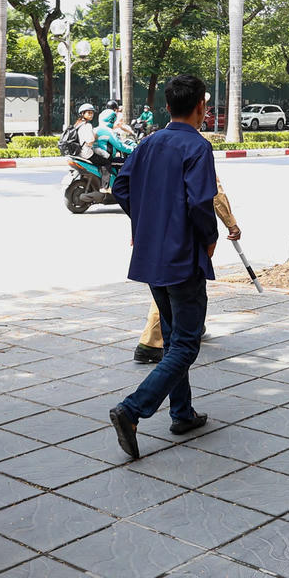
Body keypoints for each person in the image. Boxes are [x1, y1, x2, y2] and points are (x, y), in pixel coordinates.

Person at [109, 75, 218, 458]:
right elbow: (201, 202)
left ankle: (182, 413)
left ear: (167, 107)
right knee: (186, 344)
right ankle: (133, 408)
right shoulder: (197, 147)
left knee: (173, 338)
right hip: (182, 255)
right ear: (200, 108)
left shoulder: (149, 142)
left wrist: (146, 222)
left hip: (152, 253)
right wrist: (209, 238)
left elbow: (121, 187)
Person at [134, 176, 240, 363]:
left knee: (172, 283)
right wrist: (228, 224)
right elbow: (212, 192)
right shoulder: (195, 148)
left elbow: (127, 188)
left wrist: (137, 227)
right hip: (182, 232)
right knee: (175, 284)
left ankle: (193, 327)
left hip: (155, 228)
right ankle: (151, 343)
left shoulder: (149, 148)